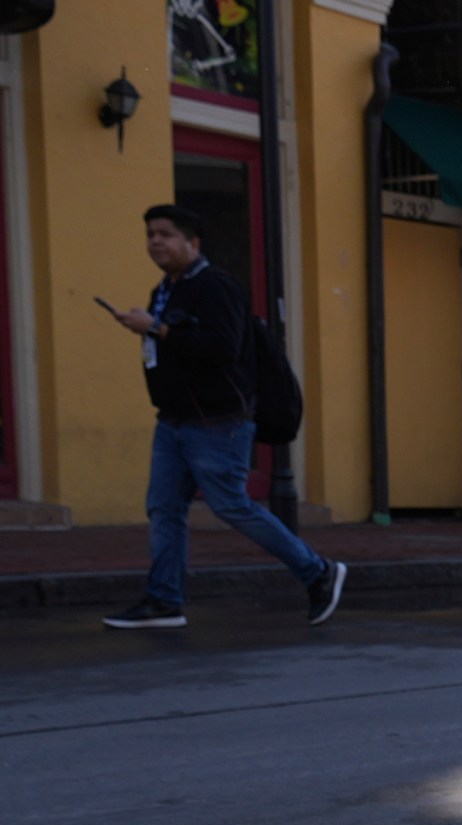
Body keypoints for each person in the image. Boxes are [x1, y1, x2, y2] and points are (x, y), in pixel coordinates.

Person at [101, 204, 344, 630]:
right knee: (164, 508)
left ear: (192, 244)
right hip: (174, 422)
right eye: (150, 235)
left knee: (232, 506)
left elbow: (223, 347)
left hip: (218, 423)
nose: (155, 242)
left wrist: (156, 328)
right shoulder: (166, 288)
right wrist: (152, 327)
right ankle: (164, 601)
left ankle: (318, 572)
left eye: (165, 234)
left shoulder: (216, 286)